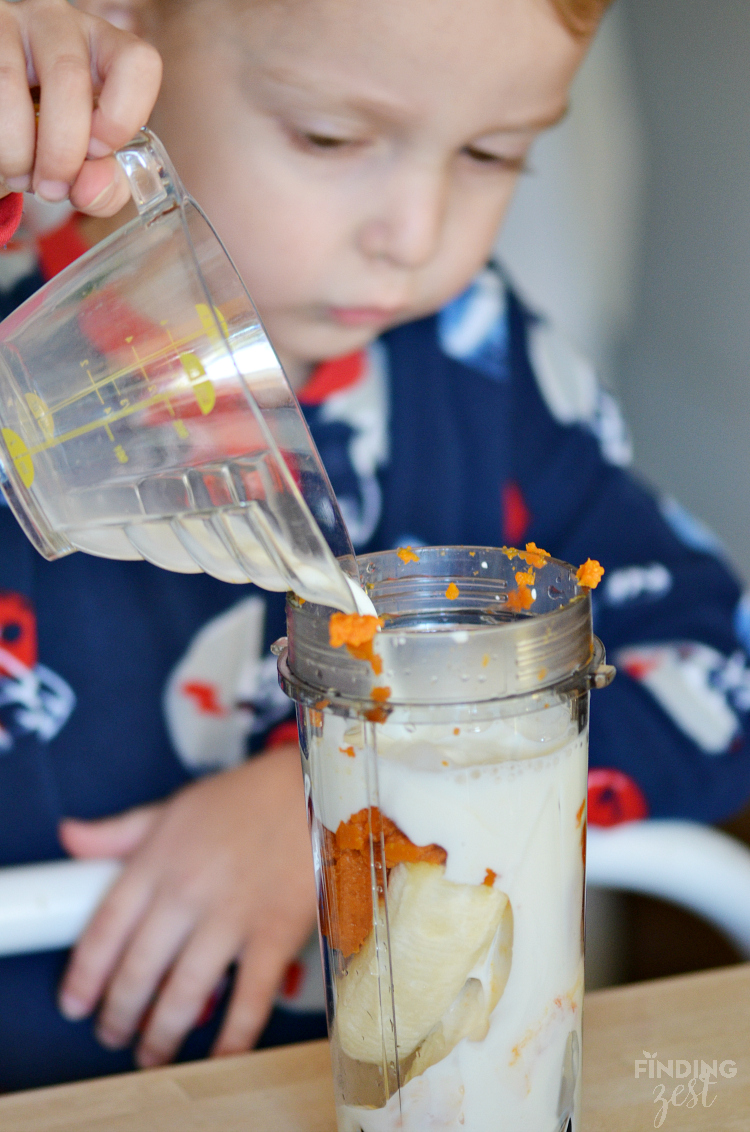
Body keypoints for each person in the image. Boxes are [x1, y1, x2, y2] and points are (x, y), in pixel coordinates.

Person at [2, 0, 750, 1092]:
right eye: (331, 138)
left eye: (496, 154)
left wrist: (337, 794)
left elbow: (716, 666)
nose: (417, 229)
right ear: (120, 48)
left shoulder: (480, 370)